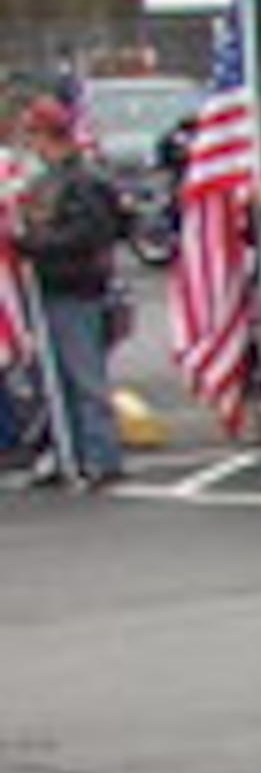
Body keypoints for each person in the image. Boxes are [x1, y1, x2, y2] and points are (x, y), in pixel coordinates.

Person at [9, 95, 126, 487]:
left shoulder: (84, 181)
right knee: (53, 379)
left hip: (78, 289)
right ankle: (67, 451)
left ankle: (101, 457)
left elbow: (89, 234)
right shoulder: (43, 182)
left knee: (85, 378)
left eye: (35, 135)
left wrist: (30, 243)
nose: (31, 144)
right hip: (48, 288)